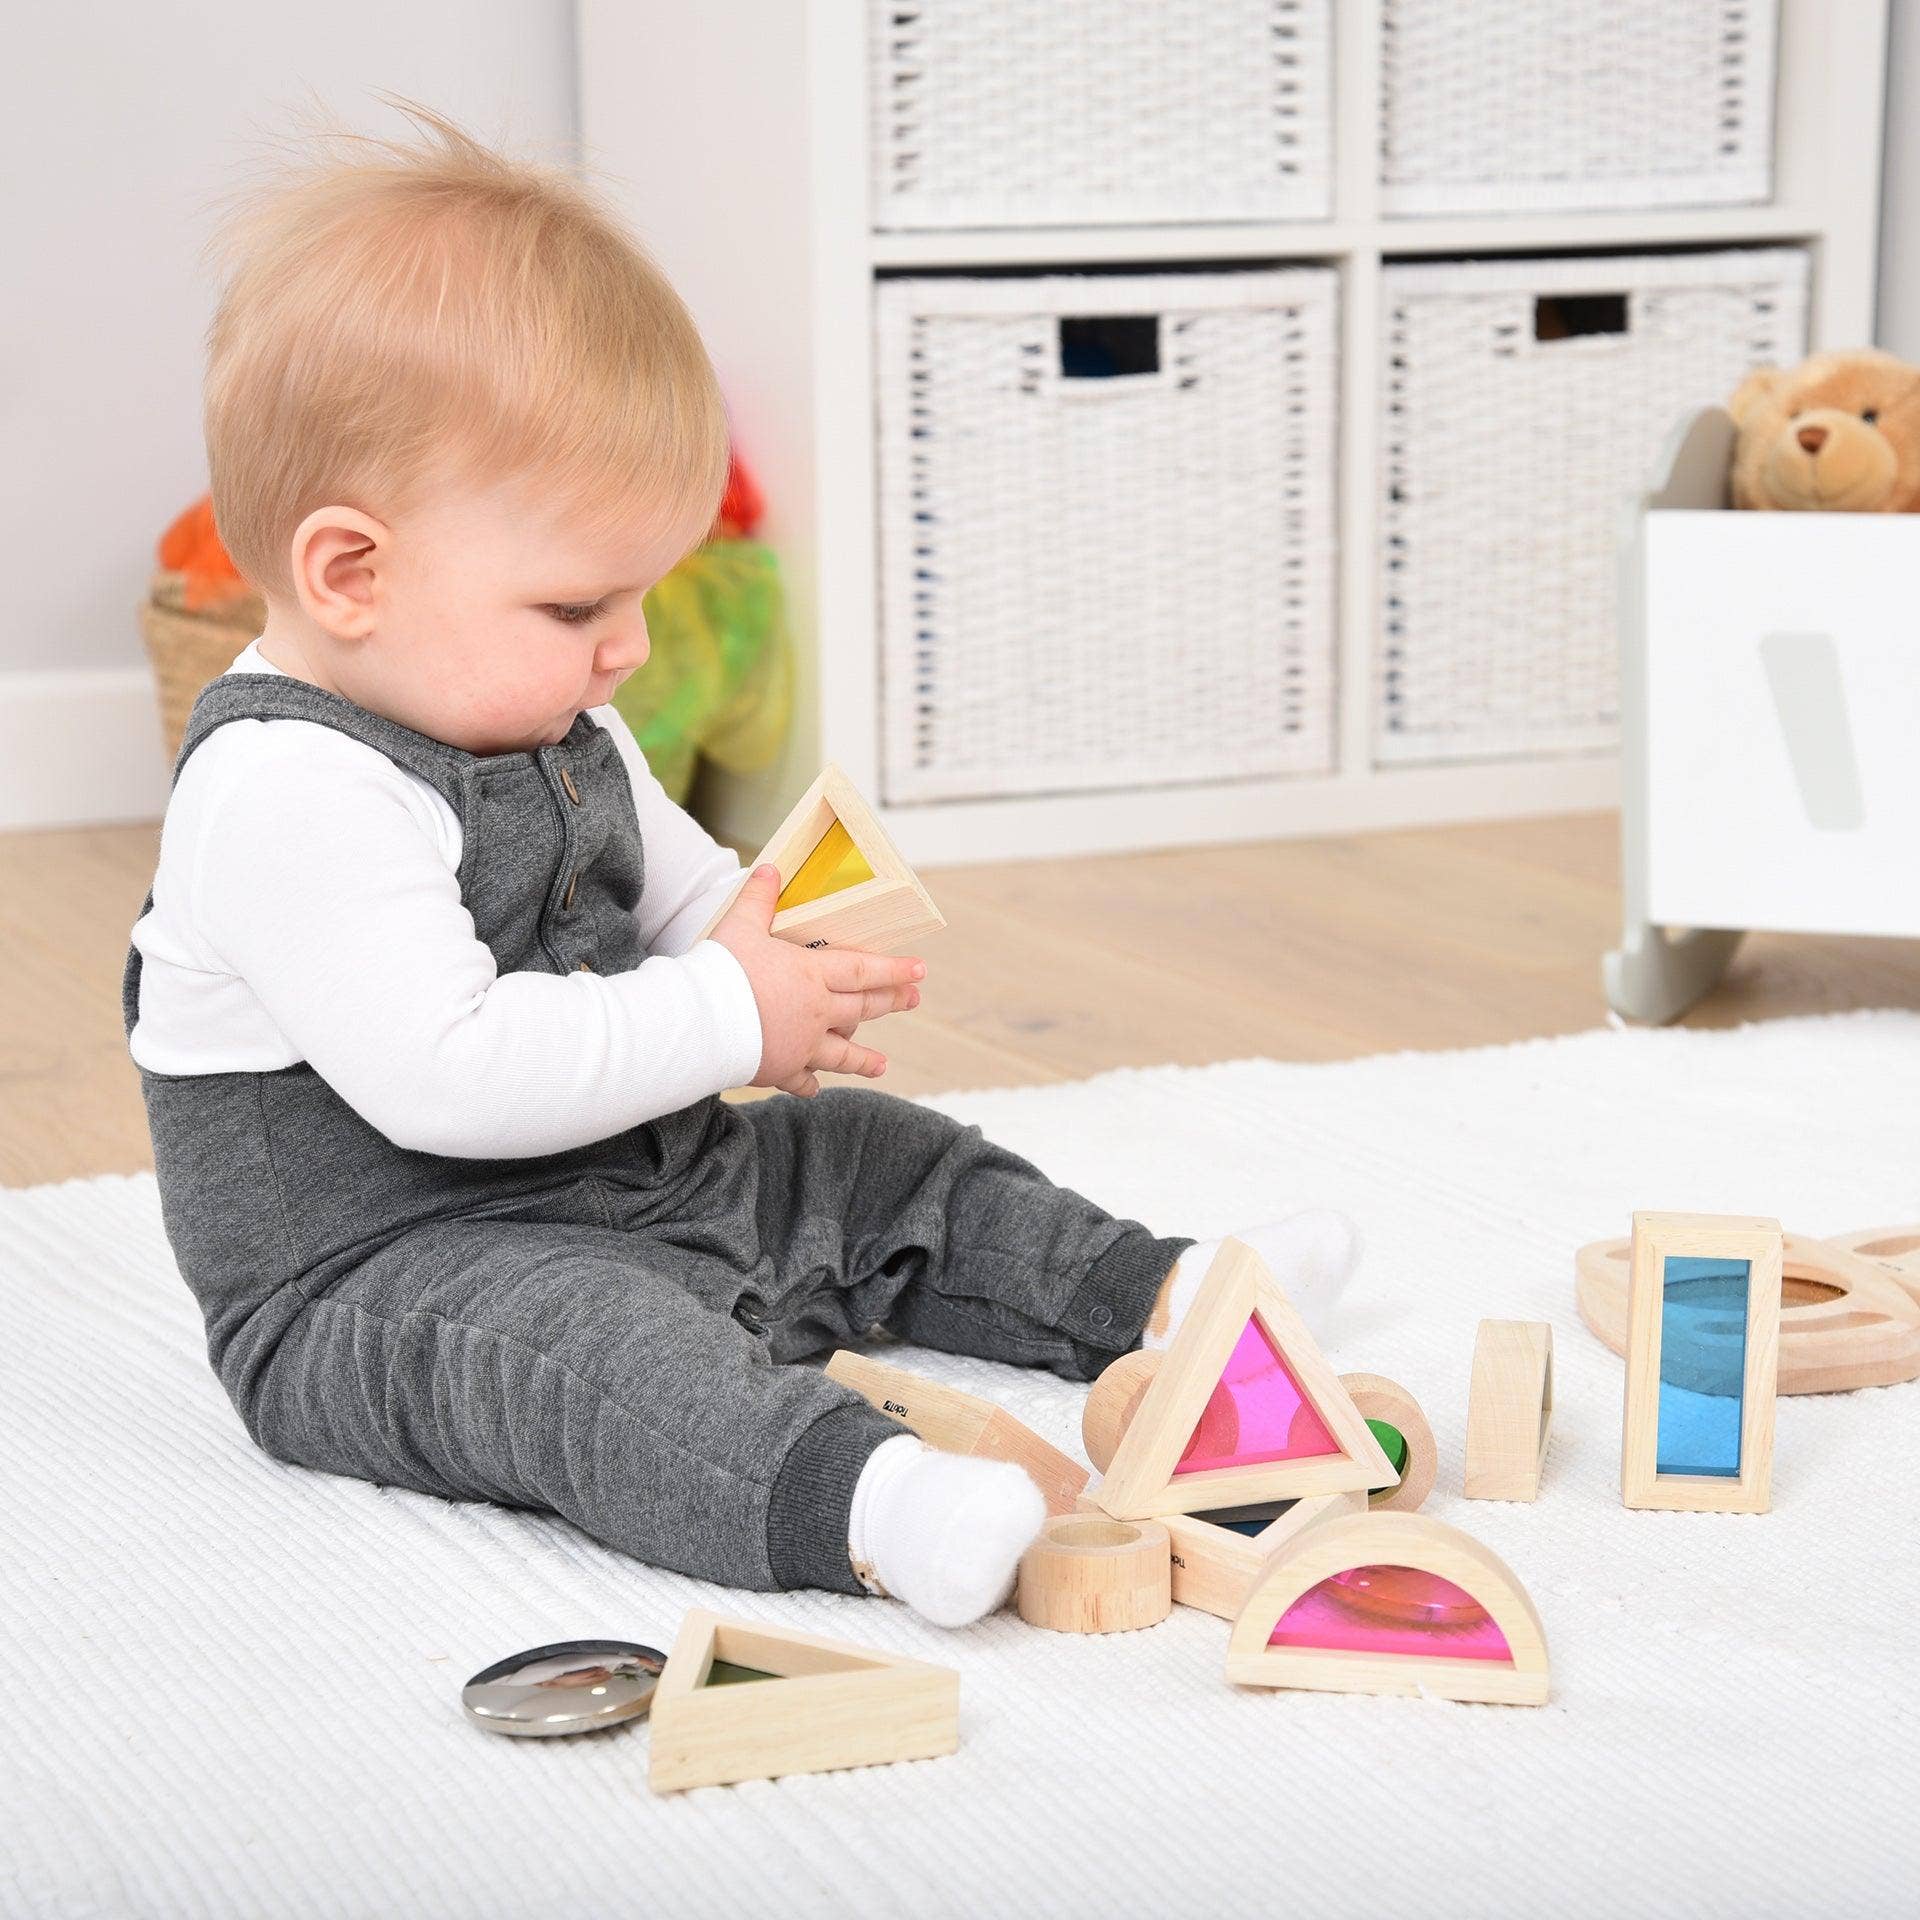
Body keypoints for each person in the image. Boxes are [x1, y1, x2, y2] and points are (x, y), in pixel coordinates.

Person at [124, 98, 1358, 1628]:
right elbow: (450, 1076)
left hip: (637, 1175)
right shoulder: (281, 792)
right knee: (588, 1360)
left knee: (876, 1159)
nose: (629, 648)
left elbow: (681, 880)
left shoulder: (537, 701)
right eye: (581, 605)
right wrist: (724, 1013)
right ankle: (872, 1501)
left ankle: (1161, 1299)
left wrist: (773, 947)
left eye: (645, 593)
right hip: (393, 1273)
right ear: (351, 574)